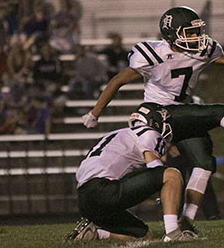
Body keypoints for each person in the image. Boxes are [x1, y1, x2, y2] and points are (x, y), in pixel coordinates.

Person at [81, 6, 224, 235]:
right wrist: (94, 113)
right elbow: (118, 80)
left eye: (197, 31)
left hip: (181, 114)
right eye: (189, 32)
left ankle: (186, 221)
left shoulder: (202, 50)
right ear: (171, 34)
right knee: (217, 112)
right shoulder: (153, 53)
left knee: (204, 163)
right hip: (157, 113)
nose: (196, 37)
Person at [64, 104, 197, 243]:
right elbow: (156, 168)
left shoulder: (116, 134)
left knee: (144, 236)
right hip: (104, 189)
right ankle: (173, 233)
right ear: (153, 120)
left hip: (84, 200)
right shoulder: (149, 133)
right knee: (172, 175)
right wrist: (164, 193)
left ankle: (93, 234)